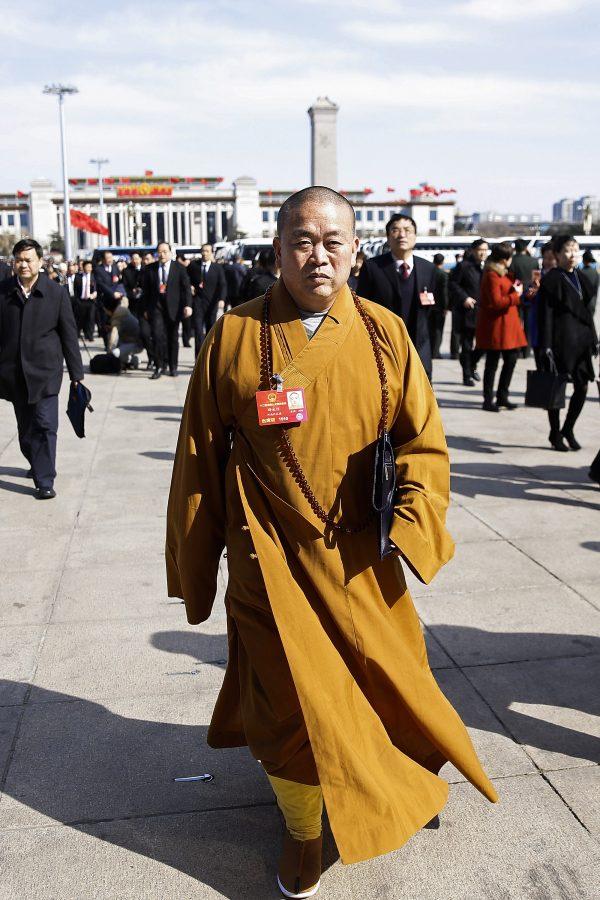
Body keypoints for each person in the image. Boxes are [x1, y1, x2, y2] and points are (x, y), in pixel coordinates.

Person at [166, 186, 497, 898]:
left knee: (387, 686)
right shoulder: (234, 335)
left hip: (359, 556)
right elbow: (198, 458)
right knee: (285, 703)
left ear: (355, 252)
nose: (318, 256)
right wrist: (197, 566)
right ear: (277, 251)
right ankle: (303, 830)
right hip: (268, 558)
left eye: (332, 241)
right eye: (302, 241)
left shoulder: (384, 332)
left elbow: (422, 441)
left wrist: (412, 521)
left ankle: (395, 782)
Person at [0, 238, 84, 500]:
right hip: (15, 373)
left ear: (40, 262)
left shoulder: (55, 292)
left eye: (28, 260)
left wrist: (77, 375)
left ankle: (45, 480)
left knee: (46, 426)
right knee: (26, 431)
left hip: (46, 372)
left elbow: (69, 334)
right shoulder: (3, 292)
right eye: (19, 260)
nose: (23, 265)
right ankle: (37, 461)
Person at [357, 214, 438, 379]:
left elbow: (432, 310)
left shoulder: (428, 269)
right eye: (395, 230)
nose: (402, 235)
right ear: (388, 237)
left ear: (415, 236)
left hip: (420, 347)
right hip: (384, 346)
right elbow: (362, 308)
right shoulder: (372, 268)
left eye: (407, 230)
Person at [537, 234, 598, 452]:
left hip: (581, 341)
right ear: (557, 254)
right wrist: (546, 346)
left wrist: (594, 339)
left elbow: (588, 313)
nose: (572, 255)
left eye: (575, 250)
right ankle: (555, 433)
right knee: (556, 389)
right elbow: (545, 316)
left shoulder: (581, 277)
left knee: (582, 386)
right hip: (560, 341)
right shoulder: (552, 280)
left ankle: (568, 428)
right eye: (567, 251)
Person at [476, 242, 526, 412]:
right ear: (505, 259)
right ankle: (488, 399)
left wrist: (518, 292)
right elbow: (496, 302)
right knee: (492, 364)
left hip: (508, 325)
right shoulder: (492, 275)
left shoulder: (503, 274)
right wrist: (515, 296)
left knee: (510, 361)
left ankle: (502, 396)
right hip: (497, 326)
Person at [142, 241, 192, 379]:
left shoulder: (179, 268)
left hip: (174, 308)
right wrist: (145, 309)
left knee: (172, 338)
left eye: (165, 252)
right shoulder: (150, 269)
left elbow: (186, 288)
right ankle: (159, 366)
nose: (162, 254)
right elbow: (146, 291)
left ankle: (172, 366)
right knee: (158, 337)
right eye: (159, 252)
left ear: (170, 253)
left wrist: (188, 305)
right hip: (156, 307)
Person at [449, 239, 489, 386]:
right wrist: (464, 297)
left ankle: (471, 364)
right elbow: (452, 283)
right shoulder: (464, 266)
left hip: (484, 312)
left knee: (484, 344)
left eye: (485, 250)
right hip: (468, 312)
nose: (483, 253)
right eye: (480, 250)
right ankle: (467, 376)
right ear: (473, 251)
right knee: (467, 345)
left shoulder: (488, 267)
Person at [188, 243, 227, 356]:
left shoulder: (217, 268)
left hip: (211, 303)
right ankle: (198, 357)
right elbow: (186, 278)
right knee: (198, 331)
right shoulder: (193, 266)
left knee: (210, 331)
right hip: (198, 302)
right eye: (203, 251)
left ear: (211, 253)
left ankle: (209, 356)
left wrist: (222, 299)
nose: (204, 253)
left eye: (207, 251)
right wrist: (190, 286)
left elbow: (222, 284)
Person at [106, 300, 143, 369]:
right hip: (129, 341)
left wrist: (109, 354)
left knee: (115, 353)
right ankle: (132, 360)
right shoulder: (121, 312)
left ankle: (134, 360)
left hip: (137, 344)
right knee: (116, 352)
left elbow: (113, 336)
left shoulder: (118, 316)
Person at [429, 253, 449, 359]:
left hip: (428, 305)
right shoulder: (443, 274)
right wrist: (446, 306)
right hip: (439, 306)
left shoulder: (429, 272)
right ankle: (435, 352)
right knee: (438, 330)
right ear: (442, 262)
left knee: (429, 329)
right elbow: (444, 292)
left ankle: (429, 350)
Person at [73, 260, 98, 341]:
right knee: (80, 318)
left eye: (90, 267)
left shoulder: (94, 277)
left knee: (91, 319)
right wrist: (77, 300)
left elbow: (97, 288)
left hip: (91, 301)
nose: (89, 269)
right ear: (83, 267)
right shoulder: (78, 277)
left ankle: (89, 335)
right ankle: (77, 334)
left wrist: (95, 293)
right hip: (81, 301)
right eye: (87, 267)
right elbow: (75, 290)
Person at [176, 254, 194, 347]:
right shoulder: (175, 269)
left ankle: (186, 340)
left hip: (186, 300)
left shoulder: (190, 268)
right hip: (176, 300)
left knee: (187, 323)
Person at [580, 250, 598, 315]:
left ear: (583, 260)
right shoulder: (595, 273)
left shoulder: (580, 273)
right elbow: (596, 290)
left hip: (582, 305)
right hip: (592, 303)